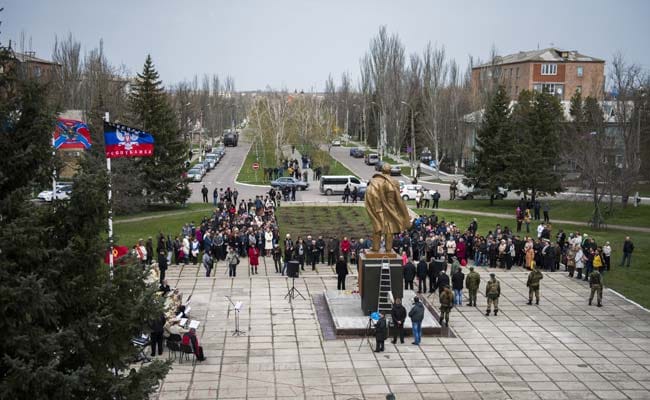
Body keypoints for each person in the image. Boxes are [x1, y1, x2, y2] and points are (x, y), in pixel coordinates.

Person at [365, 163, 411, 252]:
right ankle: (388, 249)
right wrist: (404, 214)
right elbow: (398, 200)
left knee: (377, 227)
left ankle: (376, 248)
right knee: (390, 229)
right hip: (391, 209)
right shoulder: (394, 182)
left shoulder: (374, 181)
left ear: (382, 170)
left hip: (378, 208)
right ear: (390, 171)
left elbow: (369, 195)